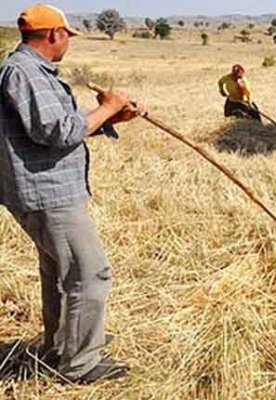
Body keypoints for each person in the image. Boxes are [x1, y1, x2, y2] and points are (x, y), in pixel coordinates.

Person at [0, 4, 144, 384]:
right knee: (89, 273)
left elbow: (58, 130)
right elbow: (57, 132)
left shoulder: (32, 71)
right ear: (53, 35)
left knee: (61, 274)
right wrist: (108, 106)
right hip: (47, 192)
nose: (69, 43)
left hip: (48, 189)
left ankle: (65, 345)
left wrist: (110, 117)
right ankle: (80, 364)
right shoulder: (24, 72)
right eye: (67, 35)